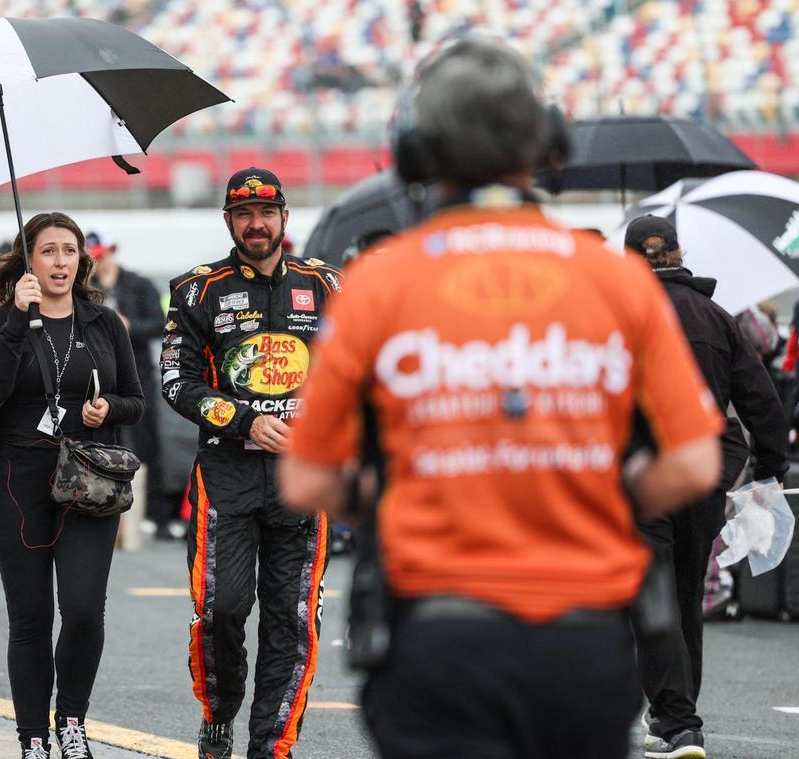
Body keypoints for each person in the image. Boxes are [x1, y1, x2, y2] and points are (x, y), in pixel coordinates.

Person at [278, 37, 724, 759]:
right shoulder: (616, 281)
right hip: (585, 639)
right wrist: (604, 495)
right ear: (547, 143)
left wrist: (398, 498)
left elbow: (305, 476)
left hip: (436, 635)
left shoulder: (380, 281)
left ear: (420, 153)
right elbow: (696, 461)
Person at [0, 212, 144, 759]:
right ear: (28, 261)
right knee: (30, 615)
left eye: (68, 251)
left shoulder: (105, 323)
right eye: (47, 252)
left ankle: (71, 720)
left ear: (82, 259)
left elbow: (136, 401)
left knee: (80, 608)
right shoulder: (0, 320)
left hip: (88, 478)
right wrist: (16, 316)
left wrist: (107, 408)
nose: (60, 262)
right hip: (14, 480)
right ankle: (32, 738)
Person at [161, 167, 341, 759]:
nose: (255, 224)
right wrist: (243, 420)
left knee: (293, 623)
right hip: (227, 475)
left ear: (285, 218)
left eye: (266, 213)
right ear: (229, 221)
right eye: (243, 214)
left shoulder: (328, 287)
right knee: (222, 611)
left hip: (302, 478)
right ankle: (218, 716)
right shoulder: (196, 289)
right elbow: (175, 382)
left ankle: (273, 745)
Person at [623, 214, 789, 758]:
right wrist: (771, 466)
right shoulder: (717, 318)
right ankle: (675, 716)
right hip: (704, 473)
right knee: (687, 596)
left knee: (654, 596)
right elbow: (762, 400)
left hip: (643, 476)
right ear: (677, 253)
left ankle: (676, 721)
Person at [86, 229, 171, 538]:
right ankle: (109, 510)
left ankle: (157, 515)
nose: (98, 263)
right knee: (106, 441)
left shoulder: (138, 283)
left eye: (101, 256)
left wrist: (129, 327)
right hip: (102, 377)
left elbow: (161, 325)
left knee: (149, 442)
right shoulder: (85, 287)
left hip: (138, 374)